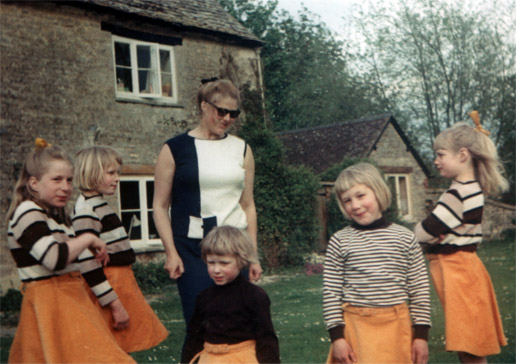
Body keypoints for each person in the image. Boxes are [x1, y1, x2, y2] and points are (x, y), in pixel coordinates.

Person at [6, 138, 135, 363]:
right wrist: (88, 238)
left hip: (72, 299)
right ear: (34, 183)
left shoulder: (58, 218)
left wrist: (114, 303)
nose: (65, 187)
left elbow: (84, 262)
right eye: (56, 180)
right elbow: (54, 258)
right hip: (49, 304)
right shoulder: (27, 212)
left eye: (69, 180)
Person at [153, 78, 263, 329]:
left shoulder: (242, 149)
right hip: (192, 249)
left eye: (233, 114)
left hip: (235, 248)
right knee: (199, 322)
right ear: (204, 106)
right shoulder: (174, 148)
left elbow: (248, 205)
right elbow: (160, 206)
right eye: (220, 111)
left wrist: (253, 257)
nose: (226, 119)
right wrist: (171, 252)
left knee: (239, 323)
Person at [415, 112, 508, 364]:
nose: (436, 161)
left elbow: (424, 231)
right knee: (468, 342)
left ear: (463, 155)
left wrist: (423, 237)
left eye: (441, 154)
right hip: (461, 270)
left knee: (471, 344)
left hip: (458, 271)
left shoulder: (458, 193)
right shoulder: (471, 190)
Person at [323, 163, 431, 364]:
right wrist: (337, 338)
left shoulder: (405, 238)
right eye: (347, 200)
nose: (355, 205)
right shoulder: (339, 240)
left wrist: (421, 337)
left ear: (379, 192)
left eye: (361, 196)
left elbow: (420, 290)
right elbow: (331, 293)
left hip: (397, 328)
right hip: (355, 329)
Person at [72, 146, 168, 353]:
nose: (117, 178)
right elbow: (87, 264)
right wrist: (114, 305)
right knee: (108, 351)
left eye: (118, 173)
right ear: (92, 172)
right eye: (111, 173)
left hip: (122, 283)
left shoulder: (98, 205)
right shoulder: (86, 210)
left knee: (121, 350)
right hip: (109, 288)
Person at [181, 226, 280, 364]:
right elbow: (194, 337)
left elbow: (266, 338)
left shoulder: (254, 296)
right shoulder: (204, 297)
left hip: (242, 359)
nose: (216, 270)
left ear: (241, 260)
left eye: (224, 263)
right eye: (211, 263)